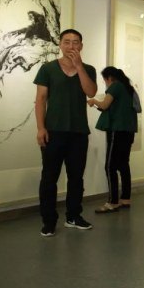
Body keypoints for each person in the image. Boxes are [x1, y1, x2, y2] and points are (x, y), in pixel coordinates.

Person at [34, 29, 97, 236]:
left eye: (75, 42)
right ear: (60, 44)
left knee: (76, 177)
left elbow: (91, 92)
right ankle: (49, 221)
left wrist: (79, 66)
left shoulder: (88, 69)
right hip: (53, 131)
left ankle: (73, 216)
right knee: (49, 178)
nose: (71, 46)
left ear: (81, 46)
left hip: (78, 132)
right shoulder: (48, 69)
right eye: (67, 42)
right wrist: (41, 128)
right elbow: (41, 99)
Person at [87, 67, 138, 213]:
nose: (105, 83)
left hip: (117, 130)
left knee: (110, 166)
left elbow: (104, 105)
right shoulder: (128, 88)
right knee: (123, 164)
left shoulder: (115, 86)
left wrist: (93, 101)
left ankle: (113, 201)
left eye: (105, 80)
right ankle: (125, 198)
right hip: (128, 131)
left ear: (109, 78)